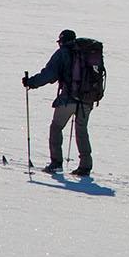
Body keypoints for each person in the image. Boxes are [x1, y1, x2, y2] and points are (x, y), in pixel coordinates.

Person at [22, 28, 92, 176]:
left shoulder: (63, 53)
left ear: (62, 41)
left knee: (56, 128)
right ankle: (85, 166)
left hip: (68, 99)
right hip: (87, 100)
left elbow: (49, 74)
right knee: (82, 131)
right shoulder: (86, 53)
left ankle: (56, 163)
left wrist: (31, 82)